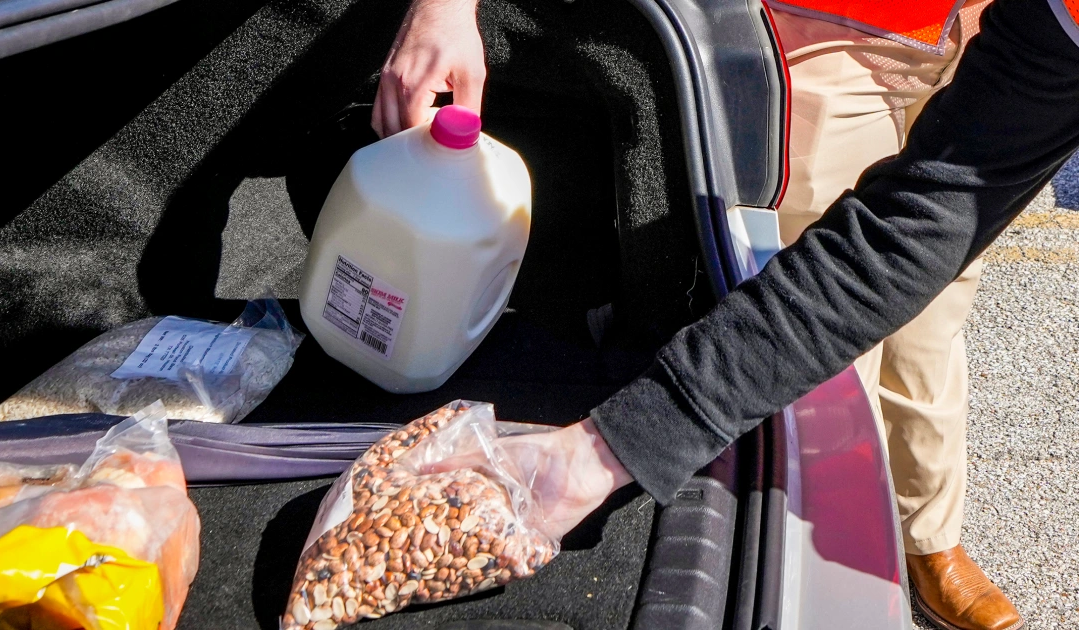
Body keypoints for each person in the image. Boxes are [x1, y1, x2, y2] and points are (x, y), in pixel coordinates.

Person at [375, 0, 1079, 628]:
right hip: (827, 32)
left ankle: (929, 536)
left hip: (989, 30)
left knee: (936, 316)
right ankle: (846, 544)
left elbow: (936, 222)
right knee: (832, 367)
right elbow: (886, 248)